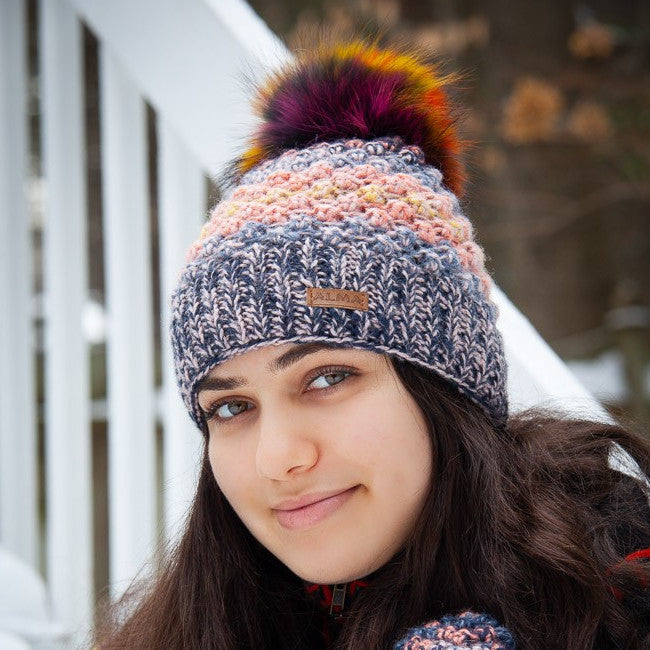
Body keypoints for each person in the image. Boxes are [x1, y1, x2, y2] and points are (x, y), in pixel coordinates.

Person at [94, 38, 650, 649]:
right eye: (230, 407)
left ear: (446, 386)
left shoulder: (619, 596)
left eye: (328, 376)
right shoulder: (187, 631)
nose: (277, 457)